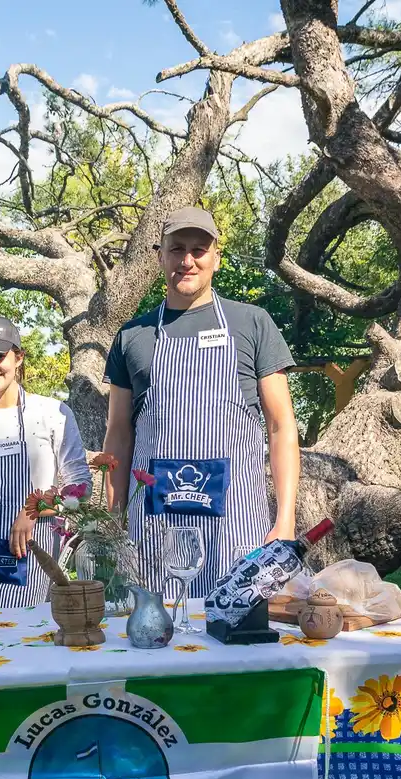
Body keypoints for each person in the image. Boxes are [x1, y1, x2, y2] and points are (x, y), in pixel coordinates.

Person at [100, 206, 300, 597]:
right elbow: (118, 436)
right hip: (154, 529)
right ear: (159, 256)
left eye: (199, 250)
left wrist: (286, 519)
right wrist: (112, 521)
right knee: (155, 628)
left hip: (236, 525)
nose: (187, 260)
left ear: (216, 258)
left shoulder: (253, 323)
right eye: (177, 249)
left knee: (234, 627)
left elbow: (281, 427)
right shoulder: (132, 336)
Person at [0, 316, 90, 608]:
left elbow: (80, 488)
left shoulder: (52, 413)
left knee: (26, 629)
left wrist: (34, 509)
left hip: (31, 555)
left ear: (19, 357)